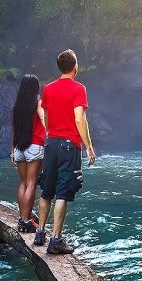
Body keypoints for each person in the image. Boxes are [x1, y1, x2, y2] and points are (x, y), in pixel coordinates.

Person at [35, 49, 97, 254]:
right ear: (75, 68)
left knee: (46, 189)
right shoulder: (79, 89)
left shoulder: (49, 89)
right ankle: (56, 240)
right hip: (70, 145)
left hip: (51, 143)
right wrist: (88, 146)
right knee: (62, 191)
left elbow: (44, 113)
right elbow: (80, 118)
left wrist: (49, 132)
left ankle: (40, 233)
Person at [11, 74, 46, 233]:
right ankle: (26, 221)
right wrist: (50, 131)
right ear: (35, 88)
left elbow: (15, 130)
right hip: (34, 146)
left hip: (19, 148)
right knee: (32, 184)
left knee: (23, 183)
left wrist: (12, 150)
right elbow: (43, 117)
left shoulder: (18, 106)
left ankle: (22, 218)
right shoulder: (38, 103)